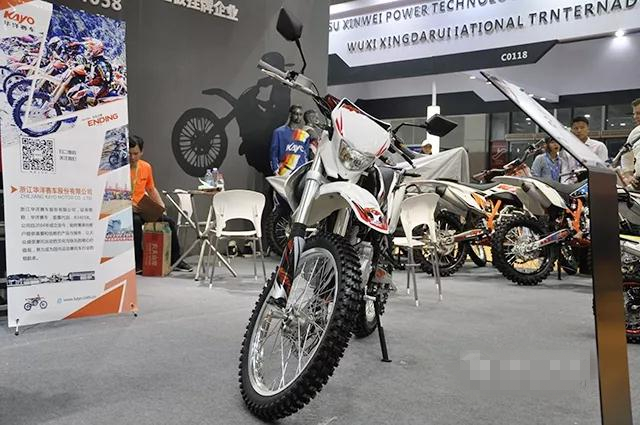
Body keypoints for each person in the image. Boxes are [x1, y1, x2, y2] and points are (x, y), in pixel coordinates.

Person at [129, 135, 192, 273]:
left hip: (143, 208)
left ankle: (176, 260)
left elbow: (151, 189)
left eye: (136, 153)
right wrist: (128, 206)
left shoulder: (146, 167)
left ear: (142, 152)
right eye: (130, 154)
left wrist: (161, 206)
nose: (132, 157)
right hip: (127, 210)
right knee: (135, 222)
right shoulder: (120, 170)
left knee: (169, 222)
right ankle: (138, 263)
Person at [560, 116, 608, 182]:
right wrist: (564, 186)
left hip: (592, 183)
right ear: (571, 131)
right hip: (572, 185)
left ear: (588, 129)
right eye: (576, 128)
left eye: (582, 128)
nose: (579, 131)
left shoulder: (599, 146)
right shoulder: (567, 149)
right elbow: (565, 171)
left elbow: (603, 170)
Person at [269, 105, 311, 176]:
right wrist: (275, 170)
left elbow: (305, 156)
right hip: (284, 171)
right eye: (296, 114)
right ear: (290, 114)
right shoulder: (279, 132)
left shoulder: (304, 135)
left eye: (300, 114)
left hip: (299, 173)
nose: (298, 117)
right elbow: (273, 153)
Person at [620, 98, 640, 186]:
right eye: (634, 113)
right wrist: (628, 176)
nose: (635, 117)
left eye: (639, 113)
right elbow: (626, 156)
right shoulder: (635, 133)